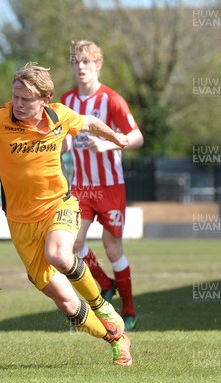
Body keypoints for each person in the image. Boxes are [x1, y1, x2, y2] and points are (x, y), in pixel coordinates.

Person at [0, 63, 132, 366]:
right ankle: (116, 338)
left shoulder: (59, 115)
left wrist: (116, 138)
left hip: (59, 205)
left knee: (58, 254)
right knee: (67, 303)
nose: (17, 104)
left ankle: (102, 305)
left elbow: (90, 122)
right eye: (15, 96)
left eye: (25, 99)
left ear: (44, 99)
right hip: (19, 222)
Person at [60, 40, 144, 331]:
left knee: (112, 247)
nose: (81, 67)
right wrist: (57, 147)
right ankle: (105, 283)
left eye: (86, 62)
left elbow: (137, 137)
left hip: (110, 186)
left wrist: (108, 146)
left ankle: (129, 308)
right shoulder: (67, 100)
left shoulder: (112, 99)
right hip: (81, 186)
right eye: (76, 62)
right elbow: (67, 136)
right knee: (74, 244)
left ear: (98, 65)